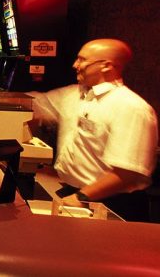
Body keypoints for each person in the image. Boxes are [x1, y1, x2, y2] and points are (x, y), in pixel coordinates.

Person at [30, 38, 158, 221]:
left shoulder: (131, 108)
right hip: (74, 193)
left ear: (106, 66)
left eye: (82, 60)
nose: (75, 65)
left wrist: (81, 197)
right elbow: (36, 104)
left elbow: (127, 173)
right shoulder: (73, 94)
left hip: (110, 203)